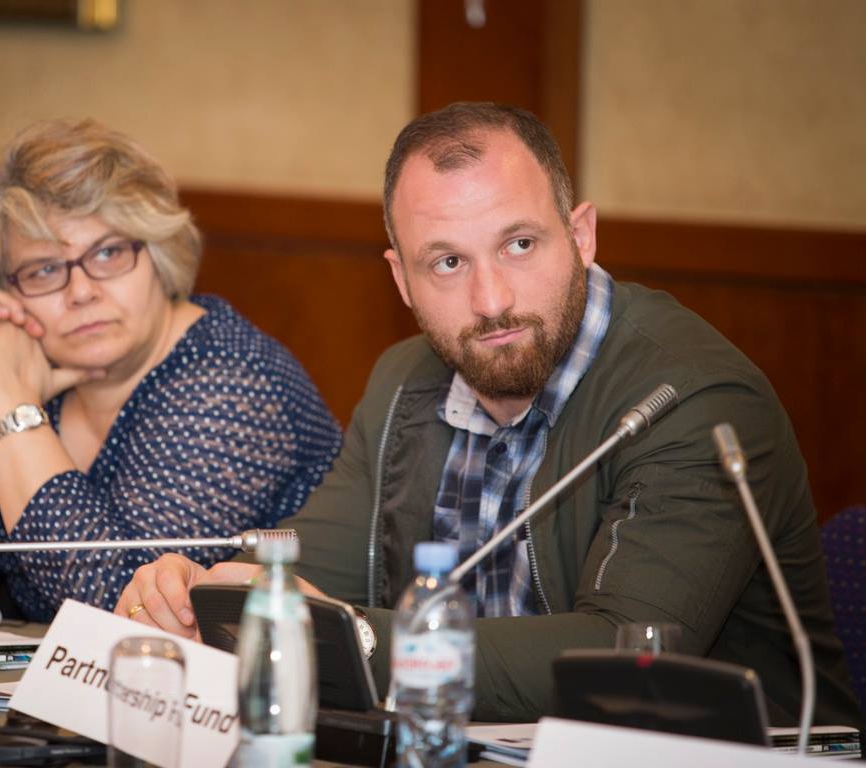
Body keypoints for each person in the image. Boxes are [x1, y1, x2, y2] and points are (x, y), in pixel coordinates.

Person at [114, 102, 864, 727]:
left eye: (519, 244)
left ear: (581, 236)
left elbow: (627, 653)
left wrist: (363, 640)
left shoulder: (693, 400)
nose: (491, 300)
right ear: (401, 280)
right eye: (447, 262)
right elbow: (310, 573)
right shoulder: (403, 381)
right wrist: (206, 595)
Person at [0, 119, 342, 620]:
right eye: (44, 270)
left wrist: (9, 408)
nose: (82, 291)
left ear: (158, 252)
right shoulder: (32, 376)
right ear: (4, 293)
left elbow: (119, 603)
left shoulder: (233, 381)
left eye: (108, 253)